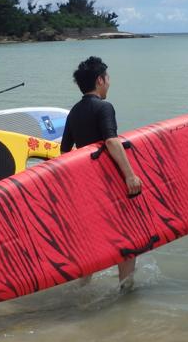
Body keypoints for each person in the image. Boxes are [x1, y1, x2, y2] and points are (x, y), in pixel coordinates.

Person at [61, 56, 142, 289]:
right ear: (99, 80)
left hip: (86, 186)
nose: (109, 82)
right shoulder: (104, 107)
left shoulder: (73, 112)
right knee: (128, 238)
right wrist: (129, 175)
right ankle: (126, 289)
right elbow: (111, 141)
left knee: (90, 239)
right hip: (109, 185)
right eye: (107, 78)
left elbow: (64, 150)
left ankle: (82, 290)